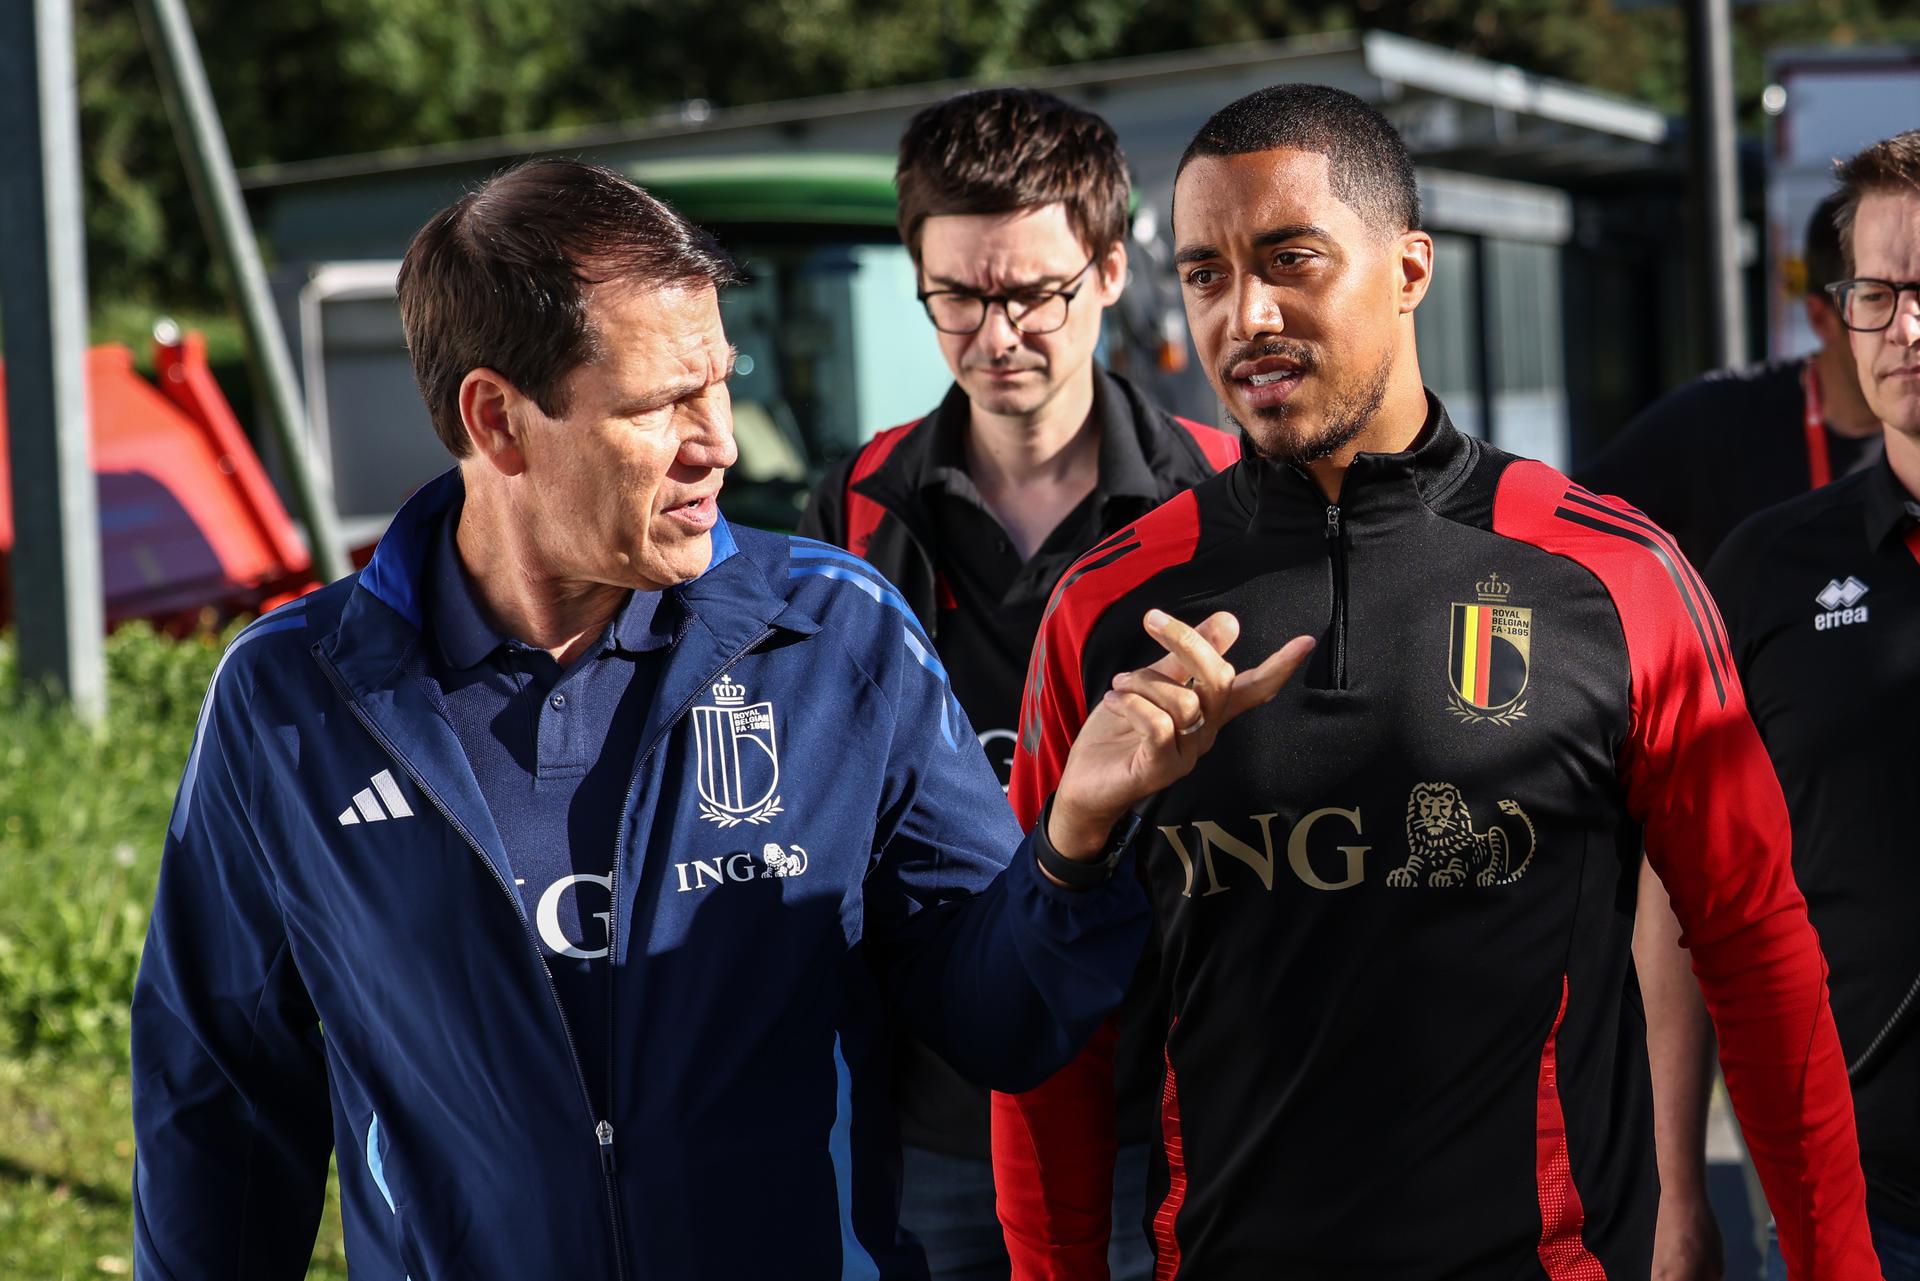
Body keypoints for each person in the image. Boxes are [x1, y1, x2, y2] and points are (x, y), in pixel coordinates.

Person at [128, 158, 1315, 1280]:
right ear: (497, 421)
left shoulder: (838, 637)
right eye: (664, 405)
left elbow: (1000, 1024)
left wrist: (1073, 844)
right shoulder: (290, 699)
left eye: (723, 384)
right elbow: (217, 1105)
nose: (721, 444)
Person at [991, 84, 1881, 1280]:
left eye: (1291, 259)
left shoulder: (1615, 576)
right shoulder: (1110, 609)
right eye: (1204, 274)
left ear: (1410, 270)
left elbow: (1757, 950)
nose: (1245, 315)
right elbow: (1050, 1015)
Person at [798, 87, 1237, 1281]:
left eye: (1033, 294)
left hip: (1168, 1103)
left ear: (1109, 270)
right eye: (957, 296)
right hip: (936, 1111)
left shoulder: (1221, 497)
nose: (996, 336)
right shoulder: (854, 508)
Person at [1705, 129, 1920, 1281]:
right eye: (1876, 296)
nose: (1906, 331)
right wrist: (1679, 1185)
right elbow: (1683, 891)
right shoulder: (1766, 569)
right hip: (1854, 1209)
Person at [1581, 190, 1883, 570]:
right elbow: (1560, 532)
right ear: (1820, 319)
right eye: (1877, 301)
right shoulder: (1716, 416)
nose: (1909, 330)